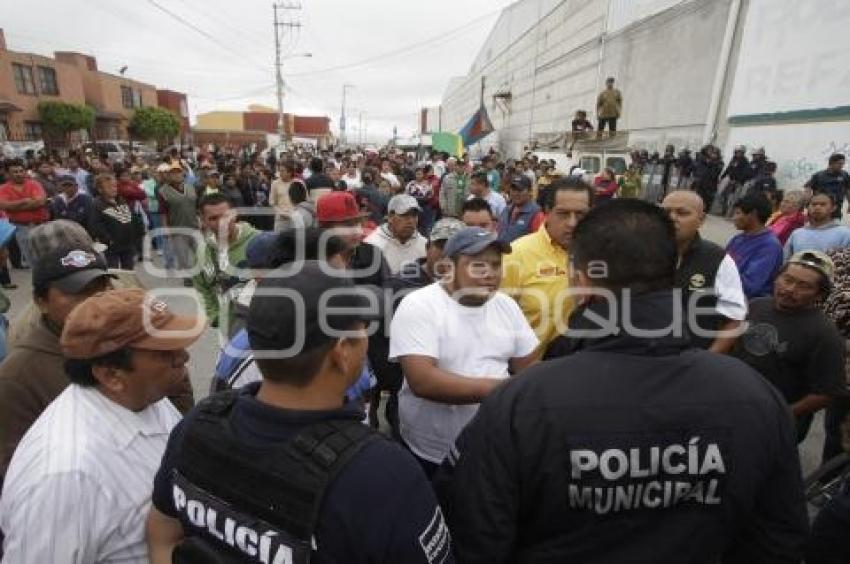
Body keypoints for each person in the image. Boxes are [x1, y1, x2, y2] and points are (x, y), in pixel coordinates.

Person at [436, 199, 809, 563]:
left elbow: (477, 538)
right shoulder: (756, 396)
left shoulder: (521, 404)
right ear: (673, 268)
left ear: (580, 282)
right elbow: (780, 538)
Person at [146, 261, 454, 564]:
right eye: (362, 327)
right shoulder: (383, 476)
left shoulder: (198, 424)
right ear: (342, 352)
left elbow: (161, 534)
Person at [0, 288, 204, 563]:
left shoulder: (146, 396)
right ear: (111, 375)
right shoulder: (65, 475)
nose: (183, 358)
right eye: (164, 352)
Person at [390, 227, 538, 478]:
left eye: (495, 265)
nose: (490, 274)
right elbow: (423, 381)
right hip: (432, 452)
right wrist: (505, 392)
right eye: (478, 266)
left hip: (493, 446)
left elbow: (530, 367)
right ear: (448, 267)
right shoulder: (419, 305)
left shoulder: (506, 306)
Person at [0, 245, 114, 488]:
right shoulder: (18, 375)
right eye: (78, 292)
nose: (94, 301)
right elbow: (16, 470)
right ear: (41, 302)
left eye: (102, 288)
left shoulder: (129, 340)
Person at [732, 251, 846, 443]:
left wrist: (783, 412)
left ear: (820, 294)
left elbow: (826, 392)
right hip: (734, 406)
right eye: (787, 279)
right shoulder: (756, 306)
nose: (790, 289)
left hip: (774, 425)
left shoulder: (825, 334)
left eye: (804, 286)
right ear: (777, 278)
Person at [503, 176, 591, 356]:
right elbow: (498, 321)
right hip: (532, 371)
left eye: (580, 214)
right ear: (546, 212)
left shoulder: (603, 253)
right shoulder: (517, 254)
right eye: (563, 213)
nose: (572, 223)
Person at [661, 190, 747, 352]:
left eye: (682, 213)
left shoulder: (718, 259)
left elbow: (734, 319)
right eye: (665, 212)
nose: (671, 218)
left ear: (701, 220)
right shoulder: (643, 252)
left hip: (692, 360)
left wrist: (707, 360)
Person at [193, 193, 259, 334]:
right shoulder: (202, 252)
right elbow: (201, 287)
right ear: (203, 221)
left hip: (264, 328)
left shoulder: (259, 241)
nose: (221, 223)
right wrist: (214, 315)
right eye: (213, 218)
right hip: (229, 331)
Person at [726, 193, 784, 299]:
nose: (734, 218)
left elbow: (751, 285)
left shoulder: (769, 246)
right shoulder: (738, 239)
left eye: (738, 213)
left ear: (753, 214)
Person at [0, 159, 49, 268]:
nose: (19, 174)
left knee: (46, 253)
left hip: (39, 224)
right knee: (31, 256)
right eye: (15, 172)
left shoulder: (34, 184)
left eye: (21, 171)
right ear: (8, 174)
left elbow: (40, 202)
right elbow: (4, 206)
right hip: (20, 227)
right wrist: (24, 201)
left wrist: (15, 206)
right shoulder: (3, 189)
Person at [89, 173, 142, 270]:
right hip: (111, 247)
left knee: (129, 271)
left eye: (114, 186)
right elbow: (96, 225)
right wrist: (108, 240)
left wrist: (137, 234)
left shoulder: (121, 201)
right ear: (100, 190)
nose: (114, 189)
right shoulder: (97, 205)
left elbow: (132, 218)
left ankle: (127, 285)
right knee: (113, 272)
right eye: (109, 187)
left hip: (127, 244)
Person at [365, 194, 427, 275]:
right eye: (405, 215)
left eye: (414, 215)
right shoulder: (372, 246)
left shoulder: (425, 245)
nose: (411, 221)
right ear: (390, 217)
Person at [158, 162, 199, 285]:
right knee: (182, 256)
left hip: (194, 225)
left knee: (201, 251)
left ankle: (202, 274)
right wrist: (165, 229)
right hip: (177, 227)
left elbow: (196, 206)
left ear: (183, 173)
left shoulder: (191, 187)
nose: (176, 175)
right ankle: (187, 277)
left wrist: (201, 220)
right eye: (173, 173)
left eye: (179, 172)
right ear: (169, 175)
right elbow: (163, 212)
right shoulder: (163, 191)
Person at [785, 191, 850, 258]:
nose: (817, 207)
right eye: (814, 204)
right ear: (808, 208)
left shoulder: (845, 234)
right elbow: (786, 261)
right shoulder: (797, 234)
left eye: (823, 204)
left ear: (833, 208)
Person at [497, 173, 543, 244]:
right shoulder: (506, 209)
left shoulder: (537, 214)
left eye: (520, 190)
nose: (515, 193)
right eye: (513, 189)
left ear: (530, 191)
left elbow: (540, 243)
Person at [806, 153, 850, 219]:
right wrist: (808, 201)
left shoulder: (844, 175)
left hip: (836, 209)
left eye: (842, 164)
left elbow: (847, 189)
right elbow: (808, 187)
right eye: (839, 164)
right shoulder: (819, 175)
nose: (841, 166)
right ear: (831, 163)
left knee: (834, 227)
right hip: (820, 209)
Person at [270, 161, 294, 230]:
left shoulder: (296, 183)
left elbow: (303, 202)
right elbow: (272, 203)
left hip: (294, 219)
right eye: (279, 171)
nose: (280, 173)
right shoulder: (275, 184)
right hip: (281, 220)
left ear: (290, 172)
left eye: (283, 171)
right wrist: (280, 212)